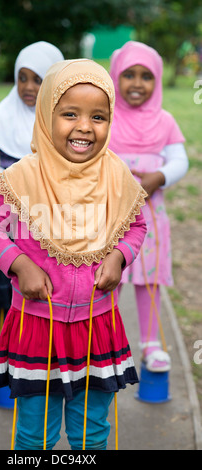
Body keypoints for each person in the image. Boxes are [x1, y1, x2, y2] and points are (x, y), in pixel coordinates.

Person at [0, 59, 147, 450]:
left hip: (96, 327)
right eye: (70, 114)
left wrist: (119, 256)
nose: (85, 126)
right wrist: (20, 264)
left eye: (98, 116)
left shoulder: (116, 176)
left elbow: (136, 227)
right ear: (46, 113)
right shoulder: (20, 179)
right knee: (35, 435)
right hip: (36, 328)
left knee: (93, 431)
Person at [0, 41, 64, 332]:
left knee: (48, 285)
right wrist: (4, 176)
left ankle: (43, 357)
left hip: (49, 216)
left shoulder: (61, 118)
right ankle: (8, 355)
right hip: (10, 218)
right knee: (8, 285)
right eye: (22, 77)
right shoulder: (3, 114)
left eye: (38, 79)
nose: (28, 86)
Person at [109, 41, 189, 373]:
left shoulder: (165, 120)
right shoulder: (107, 117)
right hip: (111, 215)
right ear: (115, 76)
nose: (137, 83)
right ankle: (105, 339)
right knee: (110, 275)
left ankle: (151, 343)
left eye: (146, 76)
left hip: (151, 217)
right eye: (129, 75)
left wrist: (159, 176)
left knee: (149, 278)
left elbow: (180, 160)